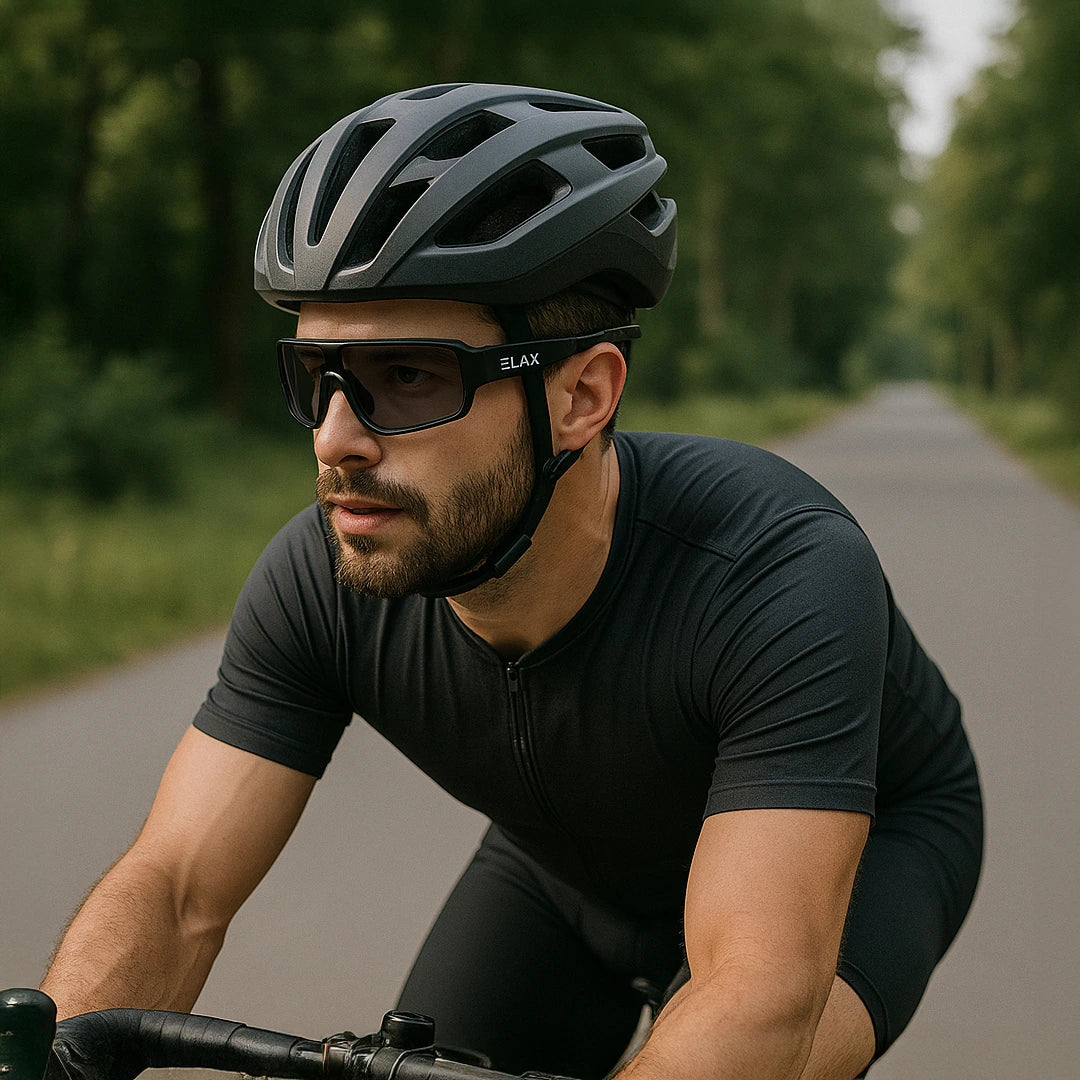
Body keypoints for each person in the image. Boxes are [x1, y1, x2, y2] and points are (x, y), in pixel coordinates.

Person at [40, 83, 983, 1080]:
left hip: (859, 865)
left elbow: (757, 993)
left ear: (581, 396)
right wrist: (51, 1056)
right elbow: (177, 887)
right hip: (560, 877)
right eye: (318, 377)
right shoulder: (320, 576)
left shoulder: (776, 572)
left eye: (410, 377)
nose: (335, 439)